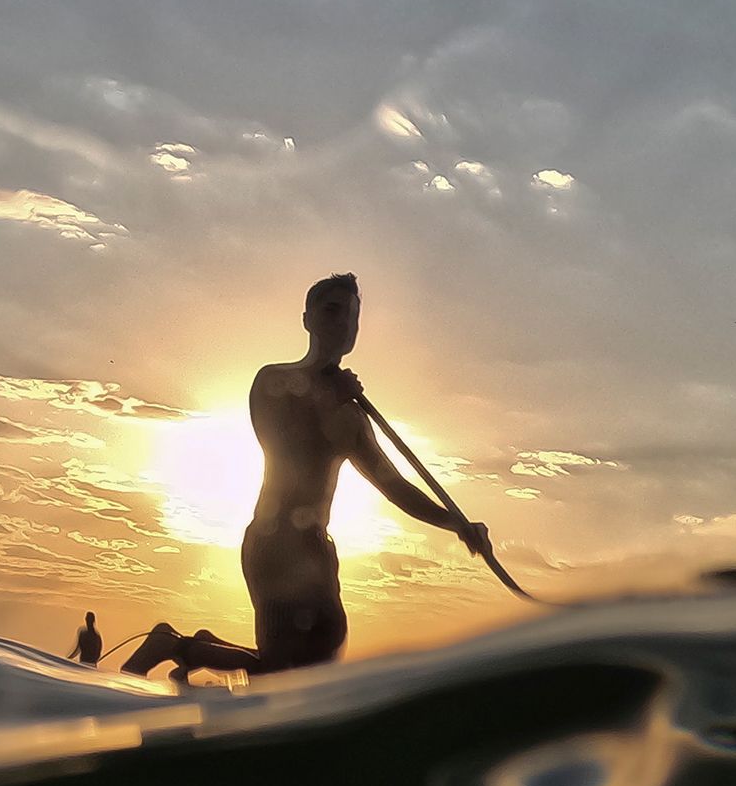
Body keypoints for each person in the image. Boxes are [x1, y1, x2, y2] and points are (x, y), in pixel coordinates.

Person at [124, 273, 488, 679]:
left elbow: (392, 484)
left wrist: (456, 523)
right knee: (285, 681)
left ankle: (186, 646)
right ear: (308, 319)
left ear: (355, 334)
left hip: (318, 551)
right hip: (275, 542)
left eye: (350, 317)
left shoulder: (352, 414)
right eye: (330, 310)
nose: (340, 322)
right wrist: (328, 396)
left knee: (317, 672)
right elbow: (280, 444)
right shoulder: (273, 380)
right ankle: (179, 646)